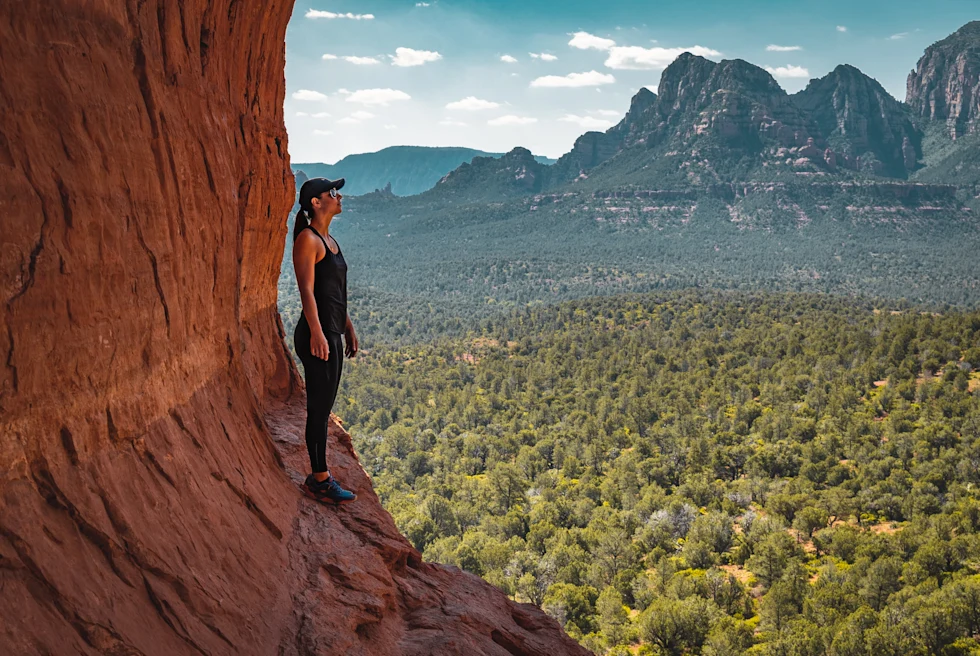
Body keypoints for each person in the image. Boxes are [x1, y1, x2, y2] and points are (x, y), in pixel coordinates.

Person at [292, 177, 358, 504]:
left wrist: (347, 325)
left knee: (325, 405)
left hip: (332, 331)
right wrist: (318, 332)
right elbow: (306, 289)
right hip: (316, 334)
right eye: (332, 193)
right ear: (315, 203)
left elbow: (333, 292)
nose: (338, 196)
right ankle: (319, 479)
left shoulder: (330, 240)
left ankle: (321, 475)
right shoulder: (309, 239)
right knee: (318, 409)